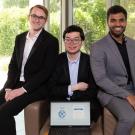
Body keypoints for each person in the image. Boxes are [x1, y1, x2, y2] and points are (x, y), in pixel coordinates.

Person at [0, 5, 59, 135]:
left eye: (41, 17)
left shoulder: (51, 41)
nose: (37, 19)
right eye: (34, 16)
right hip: (16, 83)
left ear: (45, 21)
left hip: (36, 87)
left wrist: (21, 90)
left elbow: (46, 72)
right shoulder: (19, 38)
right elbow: (13, 65)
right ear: (29, 17)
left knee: (3, 113)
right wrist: (9, 87)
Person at [90, 5, 135, 135]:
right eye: (113, 20)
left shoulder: (133, 44)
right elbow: (101, 79)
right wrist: (128, 96)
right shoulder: (98, 47)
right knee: (128, 117)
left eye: (121, 20)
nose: (117, 24)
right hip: (110, 92)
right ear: (108, 22)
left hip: (132, 87)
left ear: (125, 22)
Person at [49, 25, 101, 123]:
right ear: (64, 41)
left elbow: (93, 89)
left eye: (76, 40)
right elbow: (50, 88)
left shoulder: (90, 61)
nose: (71, 43)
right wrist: (74, 87)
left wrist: (72, 99)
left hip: (84, 105)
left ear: (82, 42)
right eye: (68, 39)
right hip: (61, 106)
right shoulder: (56, 61)